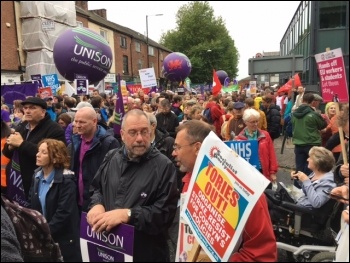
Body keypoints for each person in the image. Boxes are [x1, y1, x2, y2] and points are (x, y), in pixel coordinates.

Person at [172, 120, 277, 261]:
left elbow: (262, 255)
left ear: (197, 148)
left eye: (178, 147)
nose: (173, 153)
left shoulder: (245, 192)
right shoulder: (190, 179)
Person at [87, 109, 179, 262]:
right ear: (122, 135)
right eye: (133, 132)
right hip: (110, 249)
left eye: (144, 132)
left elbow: (164, 214)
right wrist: (97, 204)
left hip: (145, 254)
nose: (140, 138)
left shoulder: (164, 166)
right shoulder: (111, 157)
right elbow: (97, 188)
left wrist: (129, 215)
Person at [28, 139, 82, 262]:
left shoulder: (66, 180)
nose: (37, 154)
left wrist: (44, 232)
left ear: (55, 158)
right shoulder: (36, 176)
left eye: (44, 152)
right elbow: (31, 204)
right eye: (38, 151)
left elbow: (63, 213)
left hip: (63, 241)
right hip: (43, 238)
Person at [2, 97, 66, 199]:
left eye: (32, 108)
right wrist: (10, 146)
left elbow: (54, 155)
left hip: (39, 184)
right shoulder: (21, 127)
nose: (27, 111)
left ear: (43, 112)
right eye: (25, 108)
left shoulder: (54, 129)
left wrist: (22, 144)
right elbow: (6, 152)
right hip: (15, 182)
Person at [69, 106, 120, 212]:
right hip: (77, 202)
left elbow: (113, 177)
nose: (77, 125)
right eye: (76, 121)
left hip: (98, 205)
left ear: (94, 121)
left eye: (82, 122)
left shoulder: (109, 143)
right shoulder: (76, 140)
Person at [268, 146, 336, 224]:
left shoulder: (328, 183)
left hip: (303, 213)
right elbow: (308, 191)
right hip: (299, 202)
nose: (307, 159)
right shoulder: (316, 173)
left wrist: (306, 181)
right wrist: (299, 179)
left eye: (310, 158)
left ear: (317, 162)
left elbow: (317, 203)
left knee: (269, 203)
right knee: (267, 194)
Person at [236, 109, 278, 183]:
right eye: (252, 122)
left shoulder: (265, 135)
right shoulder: (239, 139)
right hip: (248, 173)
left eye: (257, 121)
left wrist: (272, 172)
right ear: (246, 122)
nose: (256, 124)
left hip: (262, 171)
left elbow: (271, 154)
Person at [292, 93, 327, 176]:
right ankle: (309, 186)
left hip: (298, 143)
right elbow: (323, 125)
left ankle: (297, 186)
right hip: (312, 143)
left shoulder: (294, 114)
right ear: (312, 102)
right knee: (312, 168)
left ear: (302, 100)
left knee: (299, 168)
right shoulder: (314, 114)